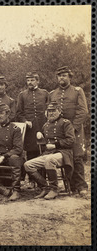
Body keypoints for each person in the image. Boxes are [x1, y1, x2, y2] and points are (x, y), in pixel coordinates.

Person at [49, 66, 89, 196]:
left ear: (70, 77)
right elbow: (50, 113)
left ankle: (81, 186)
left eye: (64, 75)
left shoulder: (77, 91)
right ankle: (71, 186)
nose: (62, 78)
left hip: (75, 129)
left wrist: (73, 127)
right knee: (65, 156)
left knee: (77, 157)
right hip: (60, 132)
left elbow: (83, 111)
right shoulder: (52, 94)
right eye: (59, 76)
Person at [23, 102, 75, 199]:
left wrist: (55, 145)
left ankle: (54, 189)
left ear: (59, 111)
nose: (51, 113)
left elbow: (71, 140)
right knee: (28, 165)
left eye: (53, 111)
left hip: (63, 153)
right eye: (49, 111)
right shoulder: (46, 125)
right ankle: (45, 187)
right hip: (49, 154)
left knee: (49, 160)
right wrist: (39, 133)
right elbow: (43, 138)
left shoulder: (65, 123)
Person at [16, 72, 49, 187]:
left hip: (42, 126)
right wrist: (25, 120)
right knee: (31, 153)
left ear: (37, 81)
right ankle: (31, 180)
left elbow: (49, 109)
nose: (30, 82)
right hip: (30, 129)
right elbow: (19, 113)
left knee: (43, 152)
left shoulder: (45, 93)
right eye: (28, 80)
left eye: (32, 80)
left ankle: (43, 181)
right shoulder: (22, 95)